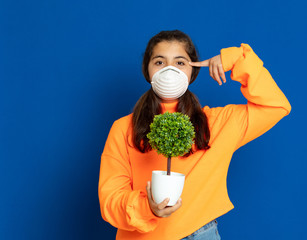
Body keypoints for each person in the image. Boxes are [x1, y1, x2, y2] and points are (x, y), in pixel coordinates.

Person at [98, 30, 291, 240]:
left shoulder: (218, 124)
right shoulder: (124, 128)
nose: (170, 70)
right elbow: (110, 199)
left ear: (193, 71)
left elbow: (275, 106)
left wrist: (235, 59)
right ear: (147, 69)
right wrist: (148, 208)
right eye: (160, 62)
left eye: (180, 63)